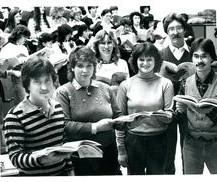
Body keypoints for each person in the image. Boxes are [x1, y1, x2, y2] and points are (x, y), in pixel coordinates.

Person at [53, 46, 122, 175]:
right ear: (72, 67)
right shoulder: (63, 92)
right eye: (80, 66)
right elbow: (64, 125)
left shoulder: (105, 88)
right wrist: (95, 127)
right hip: (81, 155)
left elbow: (117, 116)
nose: (85, 70)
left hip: (109, 151)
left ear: (94, 68)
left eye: (89, 66)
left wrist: (130, 121)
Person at [3, 56, 74, 176]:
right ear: (27, 85)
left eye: (47, 80)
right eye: (37, 82)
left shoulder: (57, 107)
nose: (44, 87)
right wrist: (42, 159)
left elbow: (62, 147)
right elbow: (15, 157)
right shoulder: (15, 116)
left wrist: (70, 172)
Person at [176, 38, 217, 174]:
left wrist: (211, 112)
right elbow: (178, 117)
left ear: (212, 59)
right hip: (191, 144)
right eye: (196, 56)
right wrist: (179, 112)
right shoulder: (185, 83)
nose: (199, 61)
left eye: (204, 56)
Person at [116, 42, 174, 175]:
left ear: (156, 61)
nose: (145, 63)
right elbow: (120, 121)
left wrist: (165, 116)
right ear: (135, 61)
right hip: (133, 141)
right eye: (141, 59)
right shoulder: (126, 85)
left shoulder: (165, 84)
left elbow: (169, 115)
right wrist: (121, 150)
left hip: (159, 139)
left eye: (149, 59)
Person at [159, 12, 192, 174]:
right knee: (166, 153)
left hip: (190, 109)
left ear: (185, 30)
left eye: (179, 27)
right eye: (171, 28)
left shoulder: (195, 53)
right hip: (167, 109)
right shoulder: (159, 55)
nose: (175, 32)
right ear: (166, 32)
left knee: (189, 152)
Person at [0, 25, 31, 106]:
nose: (25, 39)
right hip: (13, 78)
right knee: (23, 104)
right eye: (24, 37)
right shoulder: (7, 48)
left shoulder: (23, 47)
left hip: (25, 77)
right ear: (19, 35)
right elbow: (2, 69)